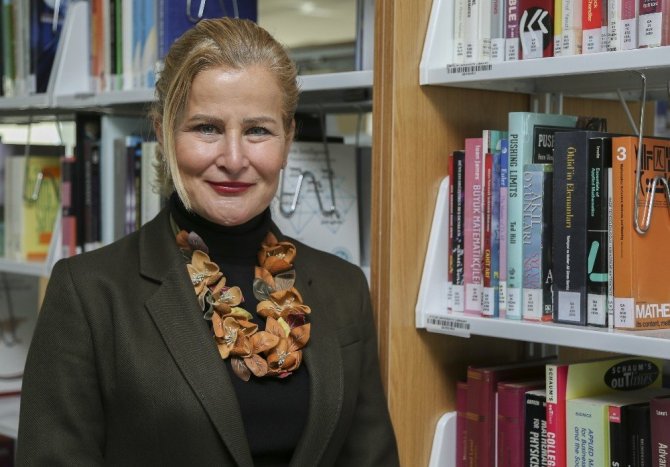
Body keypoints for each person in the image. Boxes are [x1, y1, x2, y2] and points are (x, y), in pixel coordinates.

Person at [16, 17, 399, 467]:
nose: (233, 159)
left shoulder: (343, 287)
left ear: (288, 139)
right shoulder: (89, 294)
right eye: (207, 128)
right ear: (163, 134)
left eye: (258, 130)